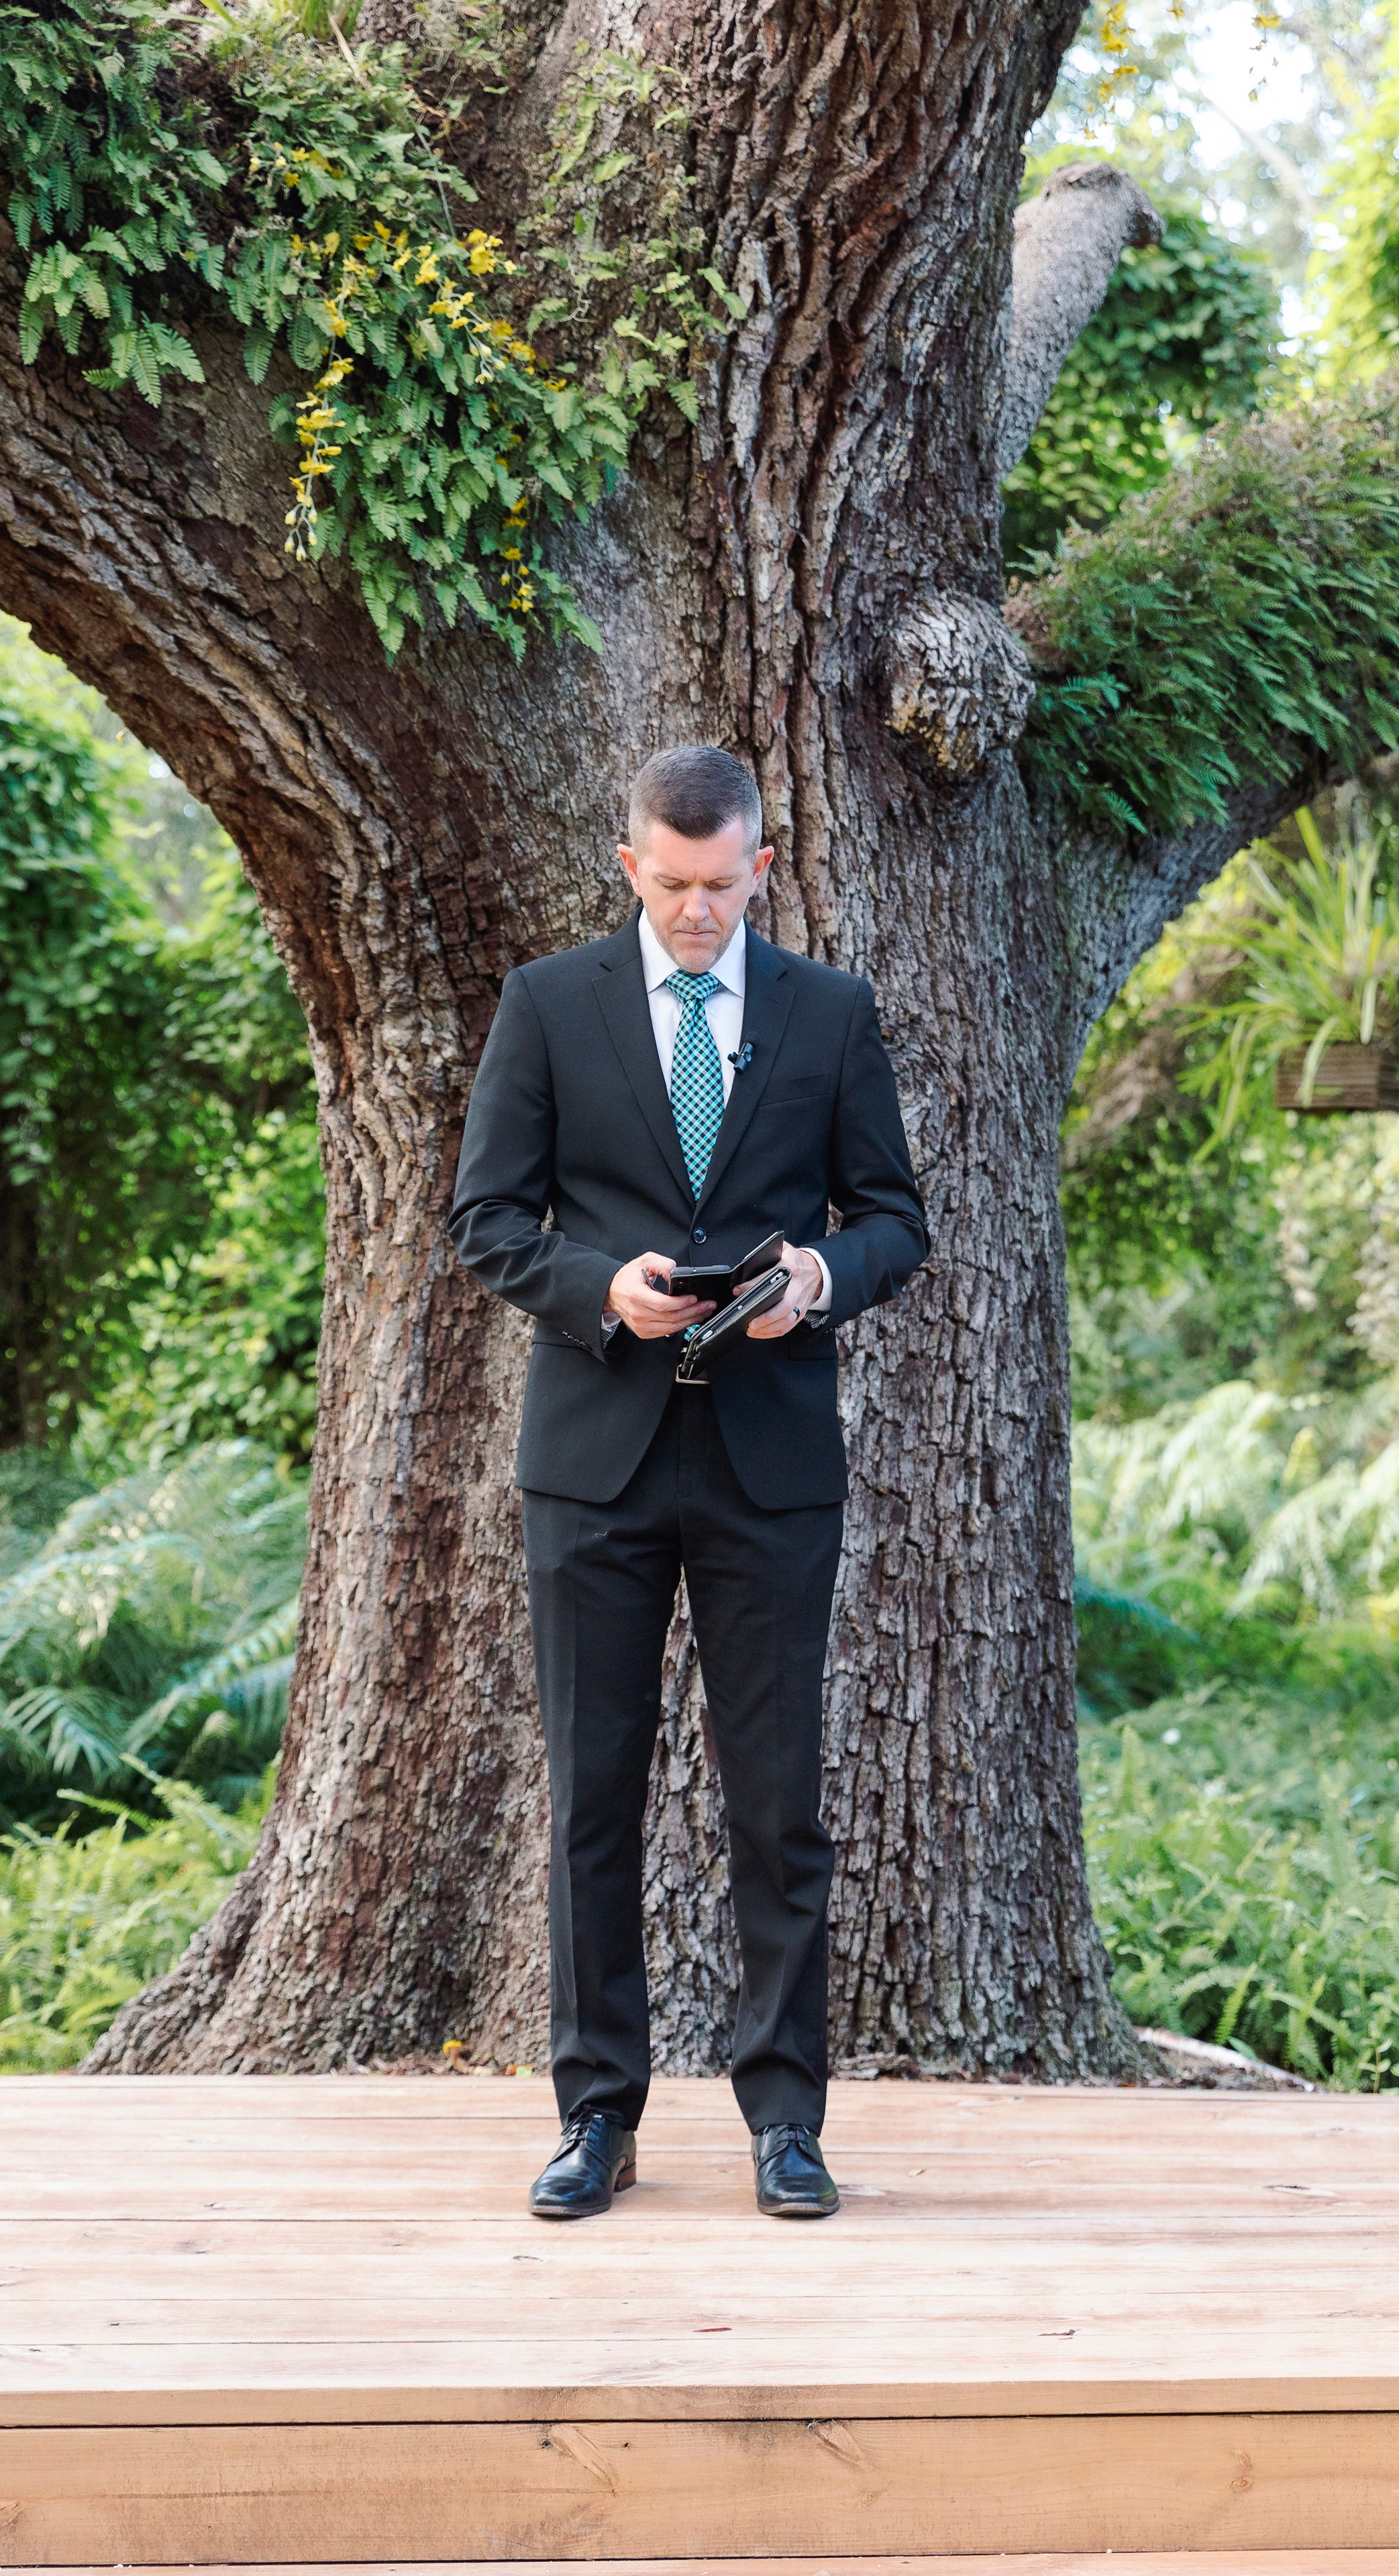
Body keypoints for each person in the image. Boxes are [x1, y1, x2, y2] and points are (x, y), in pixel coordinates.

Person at [448, 745, 929, 2221]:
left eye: (722, 887)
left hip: (768, 1468)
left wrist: (815, 1276)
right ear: (628, 866)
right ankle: (596, 2117)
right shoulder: (547, 1006)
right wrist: (607, 1288)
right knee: (591, 1797)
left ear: (761, 868)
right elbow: (483, 1218)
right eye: (671, 887)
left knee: (778, 1807)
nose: (697, 913)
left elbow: (894, 1221)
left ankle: (786, 2122)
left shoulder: (831, 1016)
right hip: (593, 1462)